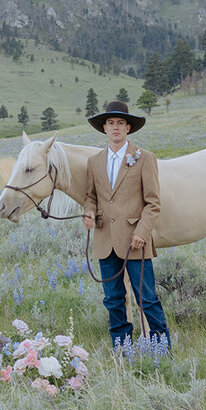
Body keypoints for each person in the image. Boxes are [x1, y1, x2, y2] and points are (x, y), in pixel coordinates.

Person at [81, 100, 170, 350]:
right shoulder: (94, 161)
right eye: (111, 123)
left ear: (128, 128)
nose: (115, 127)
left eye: (120, 123)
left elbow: (153, 203)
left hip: (135, 241)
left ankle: (162, 348)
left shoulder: (144, 158)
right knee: (113, 299)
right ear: (105, 129)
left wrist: (142, 232)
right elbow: (91, 196)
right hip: (104, 240)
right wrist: (88, 212)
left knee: (147, 298)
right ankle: (122, 349)